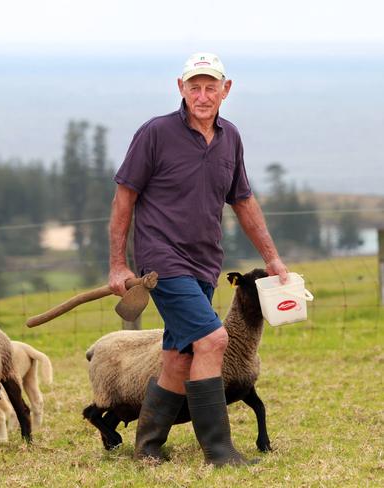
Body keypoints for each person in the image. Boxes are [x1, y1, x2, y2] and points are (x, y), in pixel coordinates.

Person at [108, 52, 288, 467]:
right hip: (161, 261)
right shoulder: (155, 133)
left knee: (179, 355)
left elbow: (242, 200)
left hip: (206, 263)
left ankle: (148, 446)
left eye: (211, 87)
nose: (202, 95)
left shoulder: (231, 138)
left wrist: (273, 259)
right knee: (213, 340)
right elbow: (124, 197)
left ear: (226, 91)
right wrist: (119, 263)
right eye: (195, 87)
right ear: (180, 88)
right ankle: (219, 451)